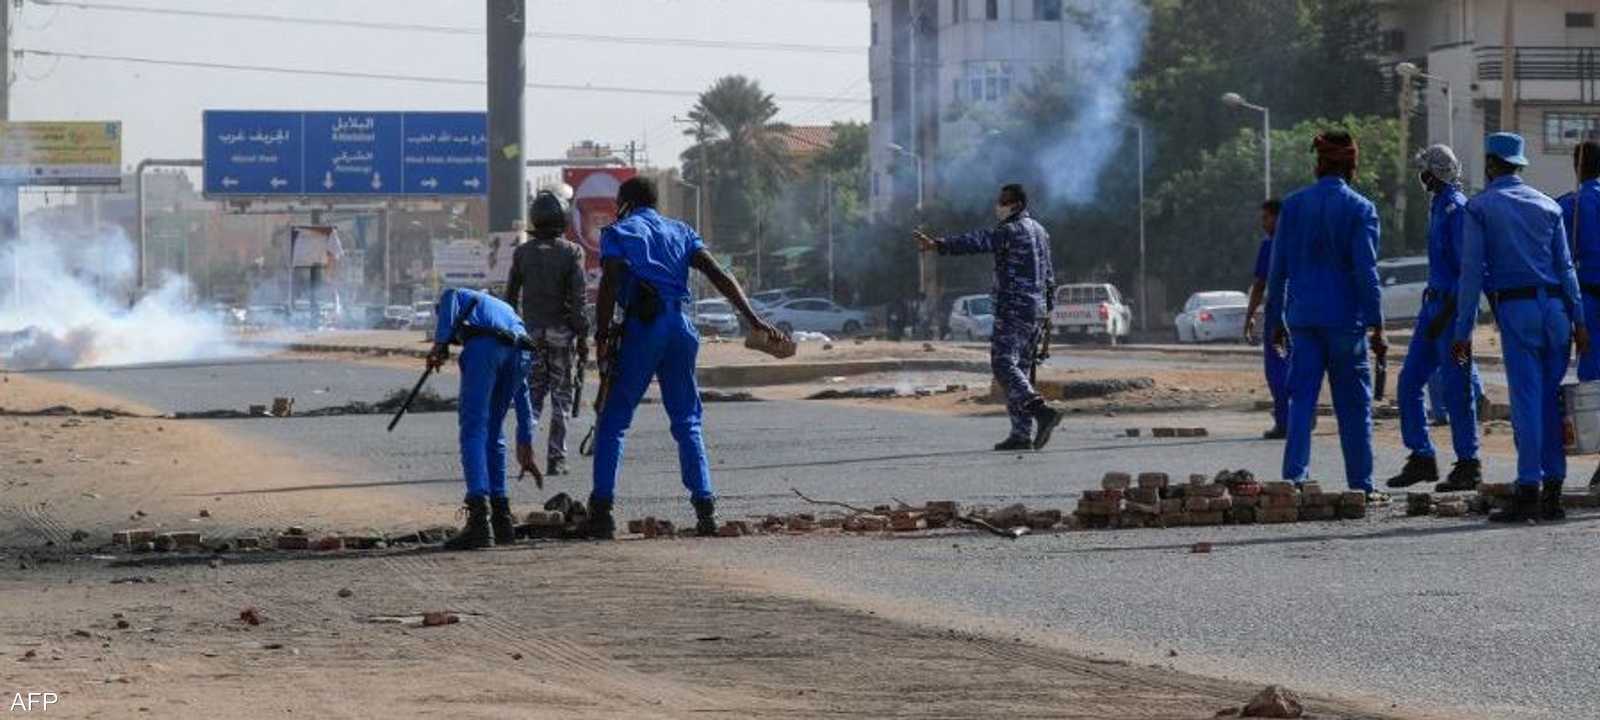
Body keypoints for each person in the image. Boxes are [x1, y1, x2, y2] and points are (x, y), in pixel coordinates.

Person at [587, 177, 781, 539]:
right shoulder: (680, 231)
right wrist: (753, 319)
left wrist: (600, 336)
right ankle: (705, 508)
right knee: (687, 420)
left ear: (626, 202)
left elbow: (610, 284)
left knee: (614, 418)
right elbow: (719, 275)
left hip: (644, 328)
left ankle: (601, 511)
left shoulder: (619, 232)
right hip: (681, 327)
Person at [1453, 132, 1590, 523]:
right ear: (1520, 164)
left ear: (1492, 165)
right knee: (1551, 401)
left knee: (1528, 403)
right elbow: (1565, 268)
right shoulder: (1548, 206)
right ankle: (1554, 491)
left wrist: (1461, 331)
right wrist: (1579, 321)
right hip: (1558, 313)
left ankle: (1527, 488)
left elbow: (1471, 274)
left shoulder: (1480, 208)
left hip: (1519, 311)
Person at [1265, 130, 1388, 501]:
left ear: (1318, 164)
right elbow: (1366, 272)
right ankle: (1361, 485)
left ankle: (1294, 479)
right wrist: (1377, 325)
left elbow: (1277, 271)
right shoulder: (1360, 209)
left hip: (1303, 321)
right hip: (1345, 323)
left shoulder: (1293, 205)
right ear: (1352, 165)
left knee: (1302, 400)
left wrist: (1275, 322)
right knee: (1353, 407)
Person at [914, 183, 1064, 451]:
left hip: (1013, 308)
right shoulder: (1042, 232)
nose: (998, 206)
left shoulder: (1010, 231)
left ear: (1016, 204)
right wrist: (1047, 313)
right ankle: (1021, 434)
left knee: (1003, 364)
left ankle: (1041, 411)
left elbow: (977, 241)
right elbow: (1050, 276)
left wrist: (938, 245)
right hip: (1036, 310)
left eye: (1003, 202)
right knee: (1022, 371)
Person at [1386, 145, 1483, 492]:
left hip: (1452, 318)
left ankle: (1469, 463)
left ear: (1435, 173)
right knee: (1410, 381)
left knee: (1457, 389)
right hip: (1432, 313)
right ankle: (1422, 456)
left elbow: (1468, 271)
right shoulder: (1438, 207)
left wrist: (1456, 319)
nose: (1420, 177)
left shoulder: (1457, 211)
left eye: (1424, 170)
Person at [425, 287, 541, 551]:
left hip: (486, 349)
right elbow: (523, 396)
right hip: (521, 352)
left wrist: (440, 344)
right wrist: (525, 440)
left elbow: (449, 295)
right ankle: (501, 519)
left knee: (473, 429)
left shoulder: (455, 298)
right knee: (493, 429)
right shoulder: (503, 310)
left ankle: (479, 519)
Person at [504, 190, 588, 477]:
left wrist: (514, 333)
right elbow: (578, 302)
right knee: (562, 399)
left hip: (529, 336)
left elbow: (509, 300)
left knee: (533, 400)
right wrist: (583, 335)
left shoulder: (522, 253)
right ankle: (557, 457)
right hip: (561, 337)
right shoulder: (572, 252)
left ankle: (525, 451)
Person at [1560, 140, 1600, 488]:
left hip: (1590, 300)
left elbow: (1561, 255)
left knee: (1592, 379)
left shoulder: (1571, 205)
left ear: (1578, 167)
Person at [1243, 199, 1288, 439]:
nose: (1263, 223)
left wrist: (1250, 316)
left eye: (1266, 218)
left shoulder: (1270, 245)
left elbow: (1260, 284)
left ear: (1277, 217)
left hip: (1278, 313)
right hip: (1303, 312)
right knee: (1299, 367)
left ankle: (1284, 421)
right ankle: (1301, 416)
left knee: (1277, 370)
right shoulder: (1301, 243)